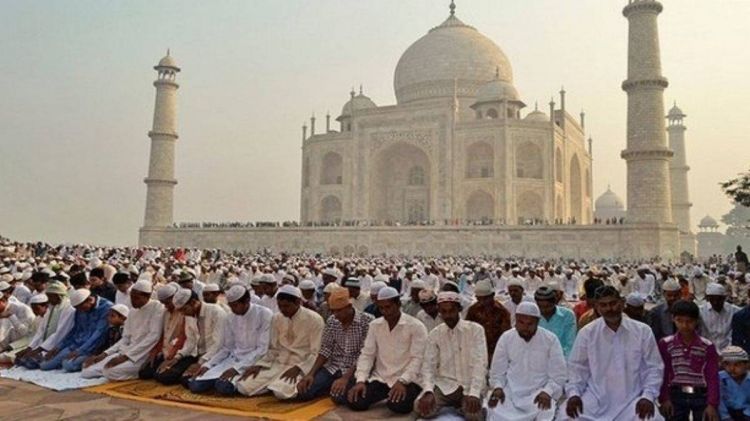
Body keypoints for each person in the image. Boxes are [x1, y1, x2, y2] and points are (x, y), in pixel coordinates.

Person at [564, 286, 665, 421]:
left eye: (613, 303)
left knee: (652, 418)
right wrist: (574, 394)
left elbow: (654, 368)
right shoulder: (587, 333)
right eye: (603, 305)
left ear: (622, 303)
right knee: (566, 416)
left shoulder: (642, 331)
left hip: (633, 398)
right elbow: (577, 368)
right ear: (597, 307)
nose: (609, 309)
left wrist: (648, 396)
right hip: (596, 398)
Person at [345, 286, 427, 414]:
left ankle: (413, 394)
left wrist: (402, 381)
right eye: (381, 308)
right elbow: (367, 355)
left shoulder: (416, 326)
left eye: (388, 307)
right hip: (382, 378)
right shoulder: (375, 325)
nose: (385, 311)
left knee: (397, 405)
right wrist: (361, 380)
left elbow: (418, 359)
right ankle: (388, 393)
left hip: (408, 379)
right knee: (355, 401)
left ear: (398, 304)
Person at [236, 285, 324, 400]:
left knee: (281, 393)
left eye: (286, 306)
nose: (283, 309)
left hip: (299, 363)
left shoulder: (314, 319)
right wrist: (259, 365)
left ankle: (274, 385)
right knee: (243, 386)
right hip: (278, 363)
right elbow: (273, 348)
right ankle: (272, 384)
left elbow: (316, 352)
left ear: (298, 302)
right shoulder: (277, 318)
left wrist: (298, 368)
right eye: (280, 306)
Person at [487, 302, 566, 421]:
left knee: (546, 410)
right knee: (493, 408)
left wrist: (548, 391)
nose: (525, 327)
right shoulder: (506, 338)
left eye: (530, 324)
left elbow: (558, 374)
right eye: (521, 323)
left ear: (537, 322)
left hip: (538, 393)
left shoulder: (550, 339)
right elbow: (497, 371)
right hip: (510, 392)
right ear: (516, 321)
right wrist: (498, 387)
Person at [415, 291, 487, 421]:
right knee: (420, 407)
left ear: (459, 309)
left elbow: (480, 363)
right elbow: (428, 366)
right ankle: (457, 405)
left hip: (468, 385)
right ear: (439, 311)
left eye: (451, 311)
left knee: (474, 416)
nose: (448, 315)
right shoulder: (435, 334)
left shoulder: (475, 330)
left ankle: (464, 404)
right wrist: (428, 390)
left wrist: (474, 393)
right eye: (443, 311)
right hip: (446, 386)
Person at [185, 285, 270, 395]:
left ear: (247, 301)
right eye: (230, 306)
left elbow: (262, 349)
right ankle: (216, 380)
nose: (232, 309)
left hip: (254, 361)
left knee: (223, 387)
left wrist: (237, 368)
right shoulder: (230, 317)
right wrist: (208, 365)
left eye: (235, 306)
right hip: (232, 359)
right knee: (194, 384)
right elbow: (227, 348)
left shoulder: (264, 314)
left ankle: (221, 382)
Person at [297, 288, 373, 402]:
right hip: (333, 367)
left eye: (338, 311)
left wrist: (345, 378)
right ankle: (331, 385)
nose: (335, 315)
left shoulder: (367, 321)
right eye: (332, 311)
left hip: (354, 369)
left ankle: (335, 387)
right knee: (304, 392)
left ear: (349, 307)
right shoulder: (332, 321)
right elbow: (325, 350)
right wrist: (310, 374)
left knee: (339, 397)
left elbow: (364, 356)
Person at [81, 280, 165, 381]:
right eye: (131, 297)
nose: (133, 301)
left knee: (110, 371)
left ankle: (139, 373)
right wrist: (105, 354)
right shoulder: (133, 311)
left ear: (147, 296)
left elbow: (153, 337)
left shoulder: (157, 308)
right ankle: (111, 371)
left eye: (136, 298)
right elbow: (125, 338)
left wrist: (126, 357)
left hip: (143, 355)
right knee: (87, 370)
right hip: (126, 351)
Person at [657, 300, 720, 421]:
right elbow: (663, 372)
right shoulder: (666, 344)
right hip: (675, 395)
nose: (684, 326)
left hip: (701, 396)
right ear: (673, 319)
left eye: (689, 321)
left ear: (696, 321)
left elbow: (712, 376)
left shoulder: (707, 346)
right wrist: (664, 398)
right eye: (679, 321)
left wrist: (712, 404)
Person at [39, 289, 113, 372]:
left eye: (81, 307)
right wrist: (58, 347)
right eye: (77, 308)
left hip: (92, 348)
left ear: (90, 300)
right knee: (44, 365)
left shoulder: (106, 307)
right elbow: (75, 330)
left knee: (68, 365)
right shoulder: (79, 308)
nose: (80, 310)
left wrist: (79, 352)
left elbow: (98, 335)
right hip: (75, 345)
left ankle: (92, 360)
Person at [138, 284, 193, 385]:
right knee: (144, 373)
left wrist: (170, 358)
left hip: (180, 353)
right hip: (165, 351)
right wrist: (154, 352)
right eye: (163, 303)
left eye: (167, 303)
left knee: (164, 378)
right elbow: (162, 335)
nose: (166, 306)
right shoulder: (165, 312)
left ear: (174, 298)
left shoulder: (184, 312)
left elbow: (183, 337)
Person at [174, 287, 227, 386]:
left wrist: (201, 362)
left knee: (191, 383)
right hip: (198, 355)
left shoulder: (216, 312)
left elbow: (219, 344)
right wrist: (178, 357)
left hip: (214, 356)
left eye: (184, 309)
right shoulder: (189, 315)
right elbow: (191, 341)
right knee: (166, 376)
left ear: (194, 302)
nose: (183, 313)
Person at [15, 282, 74, 368]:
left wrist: (38, 350)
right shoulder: (52, 308)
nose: (49, 300)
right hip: (45, 345)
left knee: (42, 365)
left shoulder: (69, 309)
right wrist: (30, 348)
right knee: (21, 360)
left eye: (50, 297)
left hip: (60, 345)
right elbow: (41, 331)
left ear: (58, 296)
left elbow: (60, 333)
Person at [466, 280, 511, 359]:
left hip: (497, 351)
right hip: (477, 350)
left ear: (492, 295)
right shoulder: (472, 310)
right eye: (480, 299)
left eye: (485, 299)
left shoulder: (502, 311)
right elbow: (468, 331)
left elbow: (506, 335)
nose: (482, 302)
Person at [0, 294, 47, 363]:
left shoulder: (23, 309)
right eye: (33, 309)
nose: (34, 312)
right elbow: (29, 336)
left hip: (37, 346)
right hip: (24, 344)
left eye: (37, 309)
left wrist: (11, 316)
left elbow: (25, 333)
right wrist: (12, 346)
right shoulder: (37, 319)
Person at [534, 285, 576, 358]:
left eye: (547, 307)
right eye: (540, 307)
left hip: (561, 358)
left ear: (554, 303)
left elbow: (570, 345)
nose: (543, 310)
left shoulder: (567, 315)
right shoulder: (533, 316)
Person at [701, 283, 740, 351]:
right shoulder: (701, 311)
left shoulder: (734, 311)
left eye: (719, 299)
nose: (715, 302)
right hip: (707, 350)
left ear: (724, 298)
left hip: (729, 351)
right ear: (707, 298)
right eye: (712, 299)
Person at [718, 346, 750, 420]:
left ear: (746, 365)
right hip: (725, 414)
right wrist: (726, 417)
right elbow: (720, 401)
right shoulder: (720, 378)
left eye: (737, 365)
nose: (732, 368)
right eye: (727, 364)